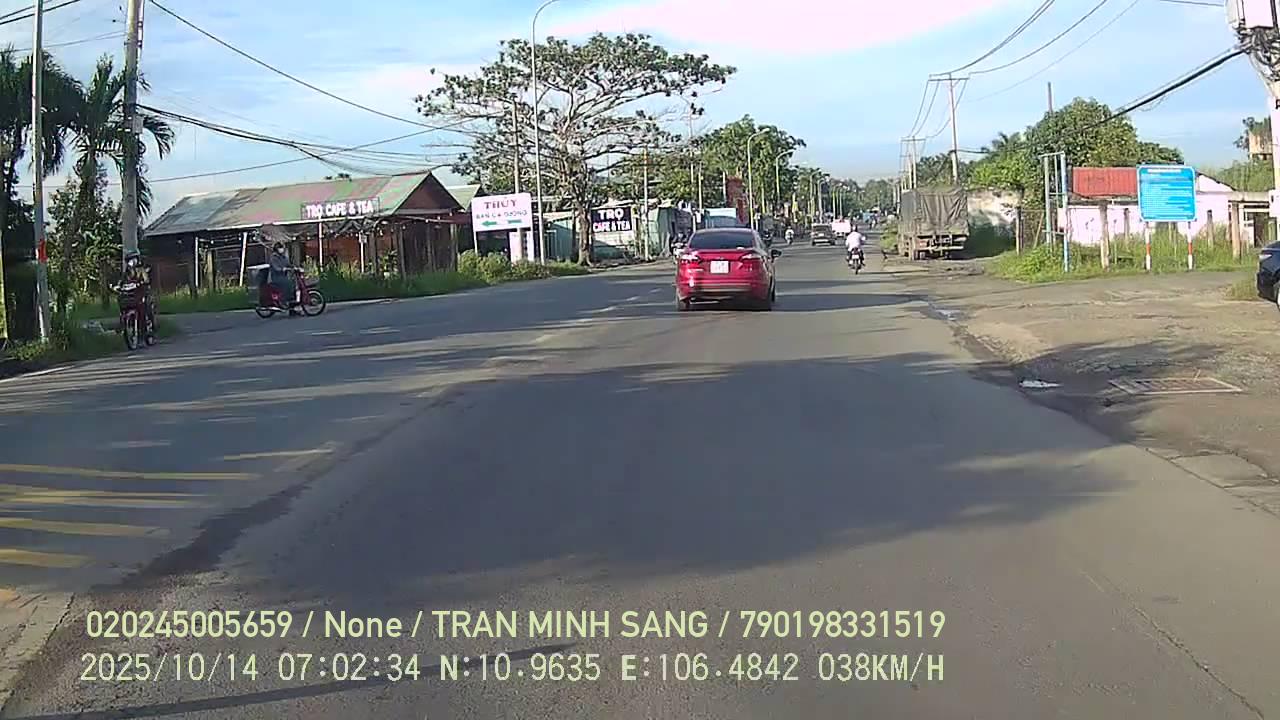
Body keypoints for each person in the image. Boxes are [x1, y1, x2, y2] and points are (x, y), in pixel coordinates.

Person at [121, 251, 156, 335]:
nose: (132, 262)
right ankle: (125, 324)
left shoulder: (141, 269)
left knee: (145, 307)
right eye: (130, 260)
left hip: (142, 292)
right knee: (123, 302)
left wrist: (142, 282)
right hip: (131, 294)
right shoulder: (127, 271)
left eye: (133, 259)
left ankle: (150, 326)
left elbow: (146, 280)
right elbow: (122, 281)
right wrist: (118, 286)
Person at [267, 241, 299, 310]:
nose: (282, 249)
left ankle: (292, 303)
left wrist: (294, 267)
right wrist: (283, 269)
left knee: (293, 283)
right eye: (280, 248)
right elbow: (276, 268)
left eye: (282, 248)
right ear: (276, 249)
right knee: (287, 284)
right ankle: (283, 301)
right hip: (275, 278)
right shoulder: (273, 257)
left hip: (283, 276)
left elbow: (288, 264)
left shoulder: (283, 256)